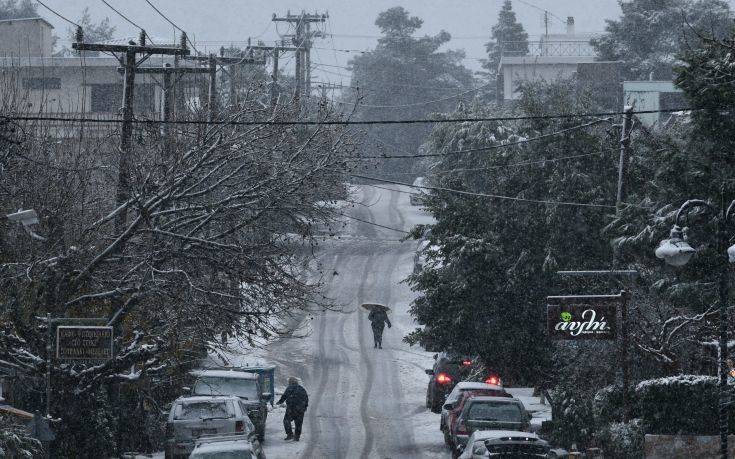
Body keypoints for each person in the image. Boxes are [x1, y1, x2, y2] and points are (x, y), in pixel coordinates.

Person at [276, 376, 309, 441]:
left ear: (290, 382)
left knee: (286, 420)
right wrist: (305, 407)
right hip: (300, 409)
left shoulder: (289, 388)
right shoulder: (302, 389)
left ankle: (290, 434)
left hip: (291, 408)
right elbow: (306, 398)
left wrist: (280, 402)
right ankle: (297, 436)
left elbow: (284, 396)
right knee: (299, 423)